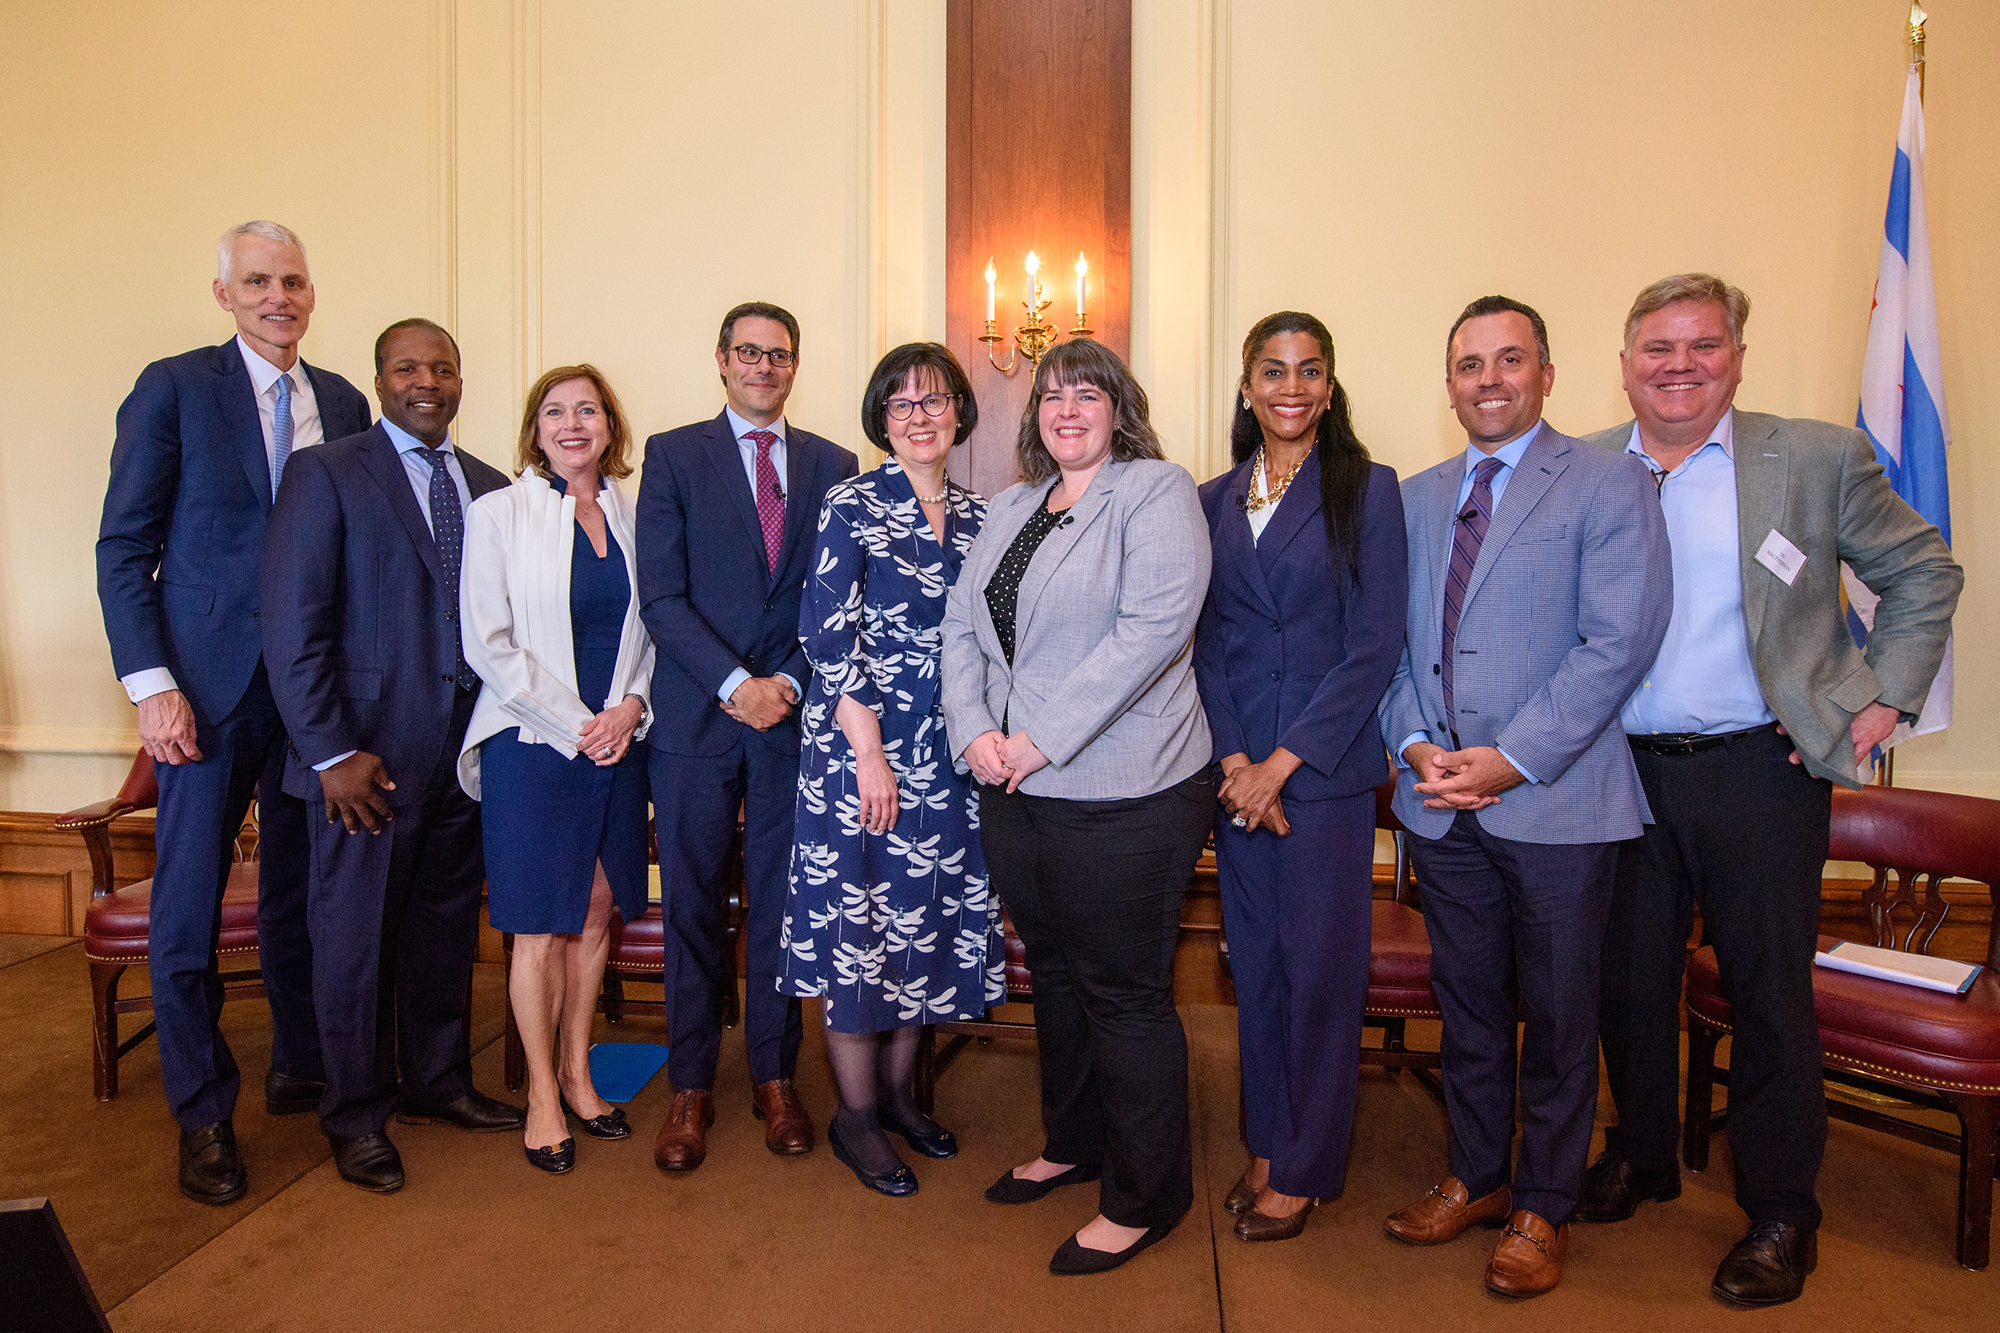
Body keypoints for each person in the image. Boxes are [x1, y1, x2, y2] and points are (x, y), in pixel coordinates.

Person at [1577, 274, 1962, 1307]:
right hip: (1615, 770)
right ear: (1624, 364)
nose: (1678, 365)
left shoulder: (1813, 459)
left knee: (1767, 995)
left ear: (1736, 359)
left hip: (1759, 767)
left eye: (1702, 345)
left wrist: (1877, 704)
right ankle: (1645, 1154)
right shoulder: (1578, 470)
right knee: (1626, 979)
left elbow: (1924, 571)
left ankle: (1781, 1209)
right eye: (1656, 347)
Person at [1375, 296, 1671, 1297]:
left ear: (1546, 374)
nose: (1486, 378)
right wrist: (1415, 742)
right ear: (1447, 380)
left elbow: (1616, 643)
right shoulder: (1412, 499)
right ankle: (1476, 1175)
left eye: (1508, 360)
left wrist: (1511, 758)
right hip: (1438, 802)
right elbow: (1392, 647)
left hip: (1554, 801)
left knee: (1554, 1013)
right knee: (1463, 1007)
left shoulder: (1606, 483)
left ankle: (1544, 1204)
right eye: (1467, 363)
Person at [95, 221, 371, 1205]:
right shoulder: (174, 387)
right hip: (202, 696)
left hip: (310, 692)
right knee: (187, 911)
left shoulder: (340, 399)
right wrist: (151, 684)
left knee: (304, 890)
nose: (278, 297)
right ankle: (202, 1111)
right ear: (224, 294)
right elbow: (123, 548)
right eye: (257, 281)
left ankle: (300, 1060)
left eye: (292, 281)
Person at [940, 338, 1214, 1276]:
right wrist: (974, 728)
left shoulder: (1156, 491)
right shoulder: (1012, 504)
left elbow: (1149, 634)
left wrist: (1036, 738)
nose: (1066, 409)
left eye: (1086, 393)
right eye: (1051, 395)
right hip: (1015, 784)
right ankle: (1074, 1141)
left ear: (1118, 407)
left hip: (1127, 786)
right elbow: (960, 627)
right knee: (1053, 971)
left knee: (1123, 990)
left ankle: (1146, 1195)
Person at [262, 318, 523, 1194]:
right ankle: (355, 1113)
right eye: (408, 367)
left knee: (442, 931)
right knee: (353, 942)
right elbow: (292, 626)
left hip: (463, 754)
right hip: (362, 761)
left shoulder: (489, 487)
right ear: (378, 381)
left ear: (460, 380)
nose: (428, 381)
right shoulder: (327, 472)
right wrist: (330, 750)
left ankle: (437, 1081)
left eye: (443, 367)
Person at [1192, 312, 1407, 1242]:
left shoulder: (1368, 489)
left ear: (1329, 386)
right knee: (1260, 968)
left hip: (1320, 779)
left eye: (1308, 371)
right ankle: (1269, 1139)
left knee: (1321, 974)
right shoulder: (1211, 498)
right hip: (1240, 781)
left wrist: (1281, 764)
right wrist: (1237, 762)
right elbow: (1204, 644)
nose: (1290, 386)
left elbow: (1372, 649)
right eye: (1272, 370)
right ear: (1246, 386)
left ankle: (1309, 1164)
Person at [636, 302, 859, 1172]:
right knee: (690, 906)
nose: (764, 366)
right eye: (749, 352)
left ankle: (774, 1076)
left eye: (780, 354)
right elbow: (661, 597)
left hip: (794, 726)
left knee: (780, 907)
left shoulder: (834, 464)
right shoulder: (672, 454)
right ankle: (690, 1087)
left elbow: (835, 598)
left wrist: (791, 683)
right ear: (722, 361)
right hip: (698, 719)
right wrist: (736, 684)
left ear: (794, 367)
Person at [779, 342, 1004, 1196]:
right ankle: (857, 1117)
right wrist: (870, 754)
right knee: (863, 928)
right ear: (881, 418)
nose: (920, 416)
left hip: (952, 754)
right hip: (860, 748)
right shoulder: (851, 503)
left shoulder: (987, 517)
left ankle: (903, 1100)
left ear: (958, 413)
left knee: (927, 923)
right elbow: (827, 638)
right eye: (902, 403)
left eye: (935, 400)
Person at [458, 365, 656, 1174]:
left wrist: (633, 708)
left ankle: (579, 1072)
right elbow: (487, 643)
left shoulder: (632, 514)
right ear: (534, 429)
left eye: (587, 410)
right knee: (538, 925)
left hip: (620, 740)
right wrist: (577, 724)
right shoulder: (498, 513)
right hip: (533, 747)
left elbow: (652, 629)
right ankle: (540, 1091)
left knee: (598, 908)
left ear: (610, 424)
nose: (572, 424)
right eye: (554, 411)